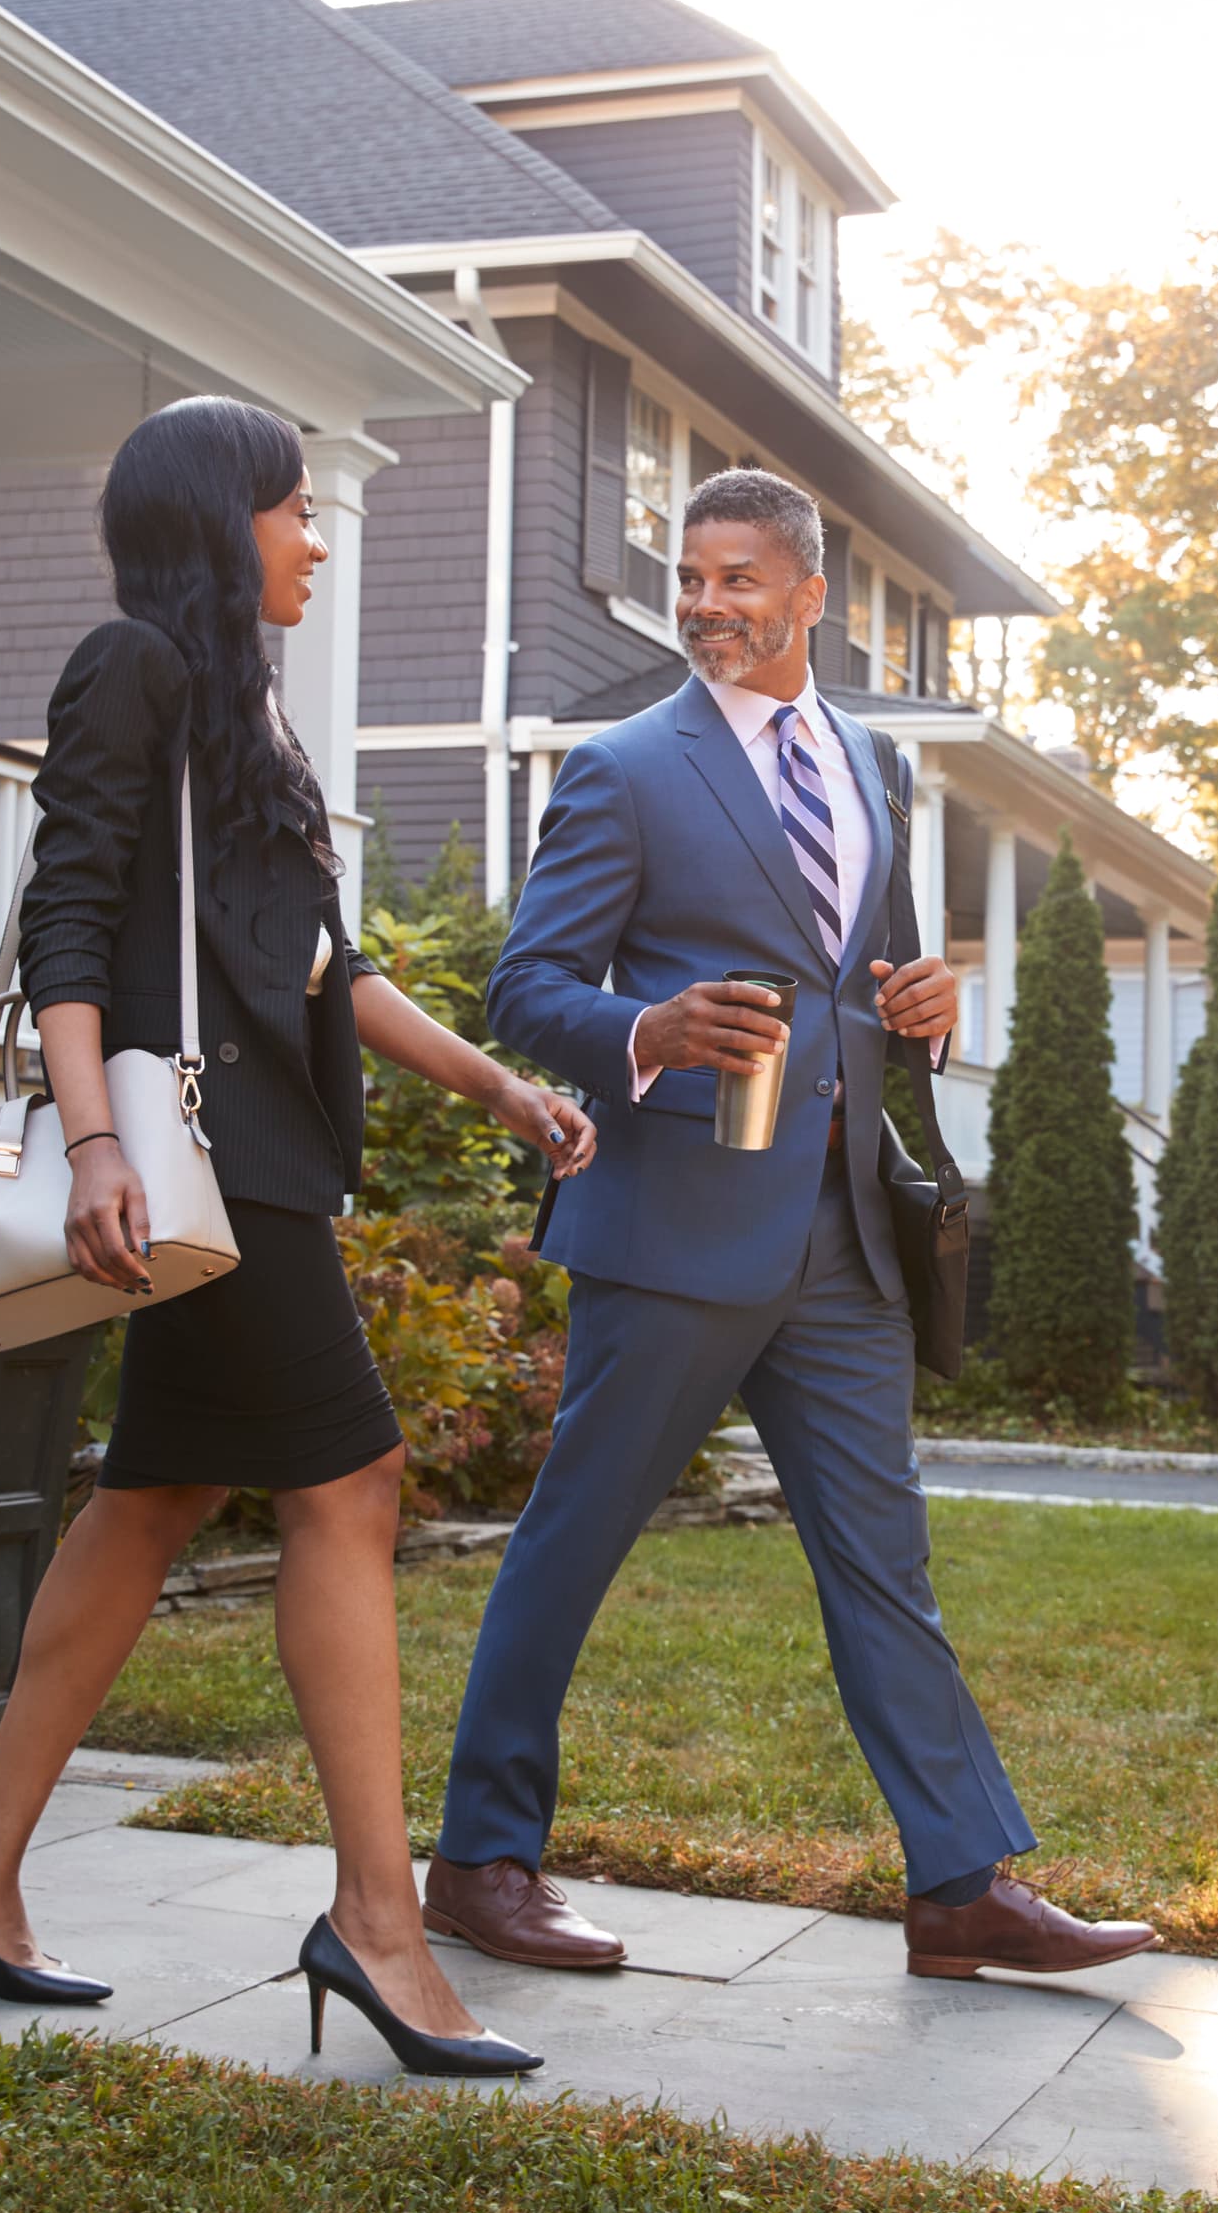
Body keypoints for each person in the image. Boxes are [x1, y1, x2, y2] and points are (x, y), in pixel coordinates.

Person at [0, 396, 593, 2079]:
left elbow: (326, 974)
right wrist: (85, 1142)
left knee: (148, 1505)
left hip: (257, 1164)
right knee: (347, 1485)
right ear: (225, 524)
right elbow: (64, 918)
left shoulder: (251, 723)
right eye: (294, 510)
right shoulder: (129, 668)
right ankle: (374, 1921)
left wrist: (498, 1086)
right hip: (191, 1164)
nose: (318, 538)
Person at [423, 467, 1157, 1983]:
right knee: (572, 1542)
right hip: (673, 1228)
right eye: (692, 580)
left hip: (841, 1235)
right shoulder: (627, 768)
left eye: (739, 580)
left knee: (884, 1561)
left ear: (810, 595)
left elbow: (869, 986)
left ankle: (961, 1884)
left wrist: (930, 1008)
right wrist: (650, 1029)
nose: (708, 606)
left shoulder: (874, 768)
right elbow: (524, 992)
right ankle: (482, 1862)